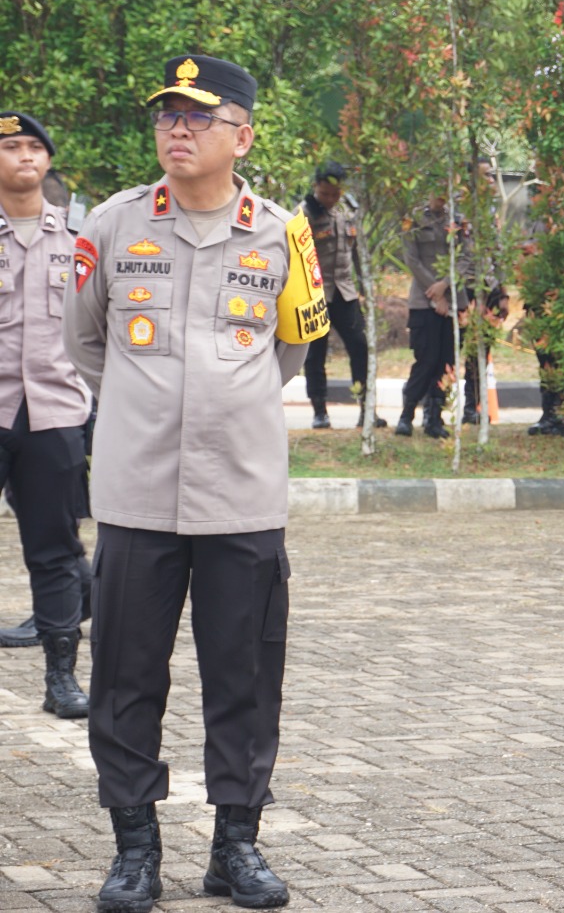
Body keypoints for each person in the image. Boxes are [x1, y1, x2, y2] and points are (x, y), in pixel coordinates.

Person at [65, 54, 328, 911]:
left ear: (242, 136)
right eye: (166, 116)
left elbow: (291, 349)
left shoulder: (284, 232)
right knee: (126, 675)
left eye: (197, 116)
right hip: (137, 494)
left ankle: (235, 847)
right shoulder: (110, 225)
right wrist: (152, 408)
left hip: (242, 496)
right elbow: (85, 343)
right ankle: (134, 847)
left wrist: (222, 401)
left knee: (245, 675)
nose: (176, 129)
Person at [0, 111, 92, 714]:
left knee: (55, 549)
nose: (25, 157)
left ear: (49, 161)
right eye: (11, 147)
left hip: (55, 414)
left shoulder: (82, 238)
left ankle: (61, 680)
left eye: (35, 147)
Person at [299, 160, 385, 430]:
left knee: (360, 347)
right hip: (315, 294)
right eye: (325, 193)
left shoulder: (347, 210)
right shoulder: (302, 214)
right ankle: (320, 411)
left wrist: (366, 287)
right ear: (316, 187)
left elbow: (356, 250)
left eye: (335, 194)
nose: (330, 199)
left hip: (345, 292)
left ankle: (366, 409)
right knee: (316, 354)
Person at [396, 192, 476, 437]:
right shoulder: (414, 219)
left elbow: (466, 257)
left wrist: (446, 285)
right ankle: (407, 414)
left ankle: (434, 418)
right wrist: (436, 292)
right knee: (426, 360)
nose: (440, 197)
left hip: (454, 298)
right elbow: (411, 258)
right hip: (423, 298)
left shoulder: (459, 221)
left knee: (447, 362)